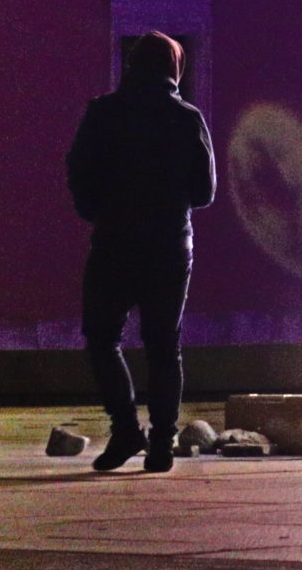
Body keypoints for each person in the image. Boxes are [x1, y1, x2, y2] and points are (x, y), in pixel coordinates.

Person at [66, 30, 215, 474]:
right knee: (164, 346)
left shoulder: (103, 112)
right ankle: (162, 444)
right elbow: (204, 192)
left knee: (102, 339)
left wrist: (98, 210)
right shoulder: (186, 118)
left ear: (132, 65)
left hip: (114, 240)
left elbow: (78, 170)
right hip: (169, 244)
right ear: (175, 68)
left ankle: (125, 429)